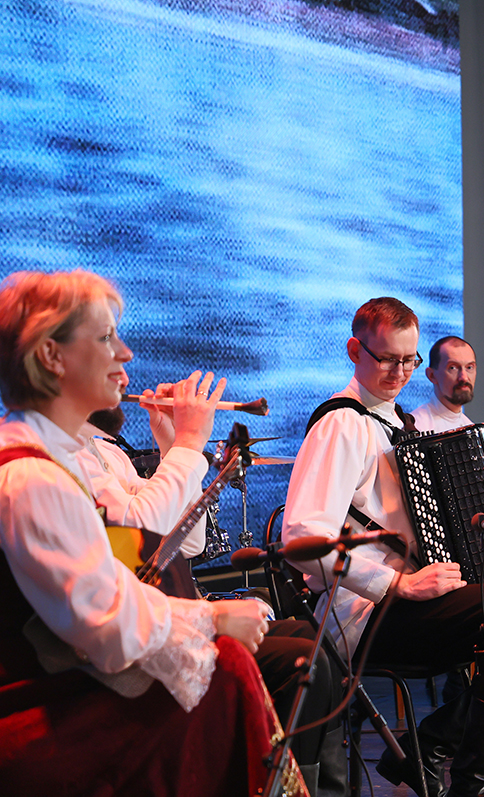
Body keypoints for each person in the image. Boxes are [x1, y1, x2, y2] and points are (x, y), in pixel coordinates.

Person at [0, 269, 305, 796]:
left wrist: (174, 449)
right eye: (105, 338)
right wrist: (212, 618)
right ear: (51, 356)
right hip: (52, 715)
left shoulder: (62, 459)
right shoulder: (33, 475)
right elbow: (108, 624)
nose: (125, 354)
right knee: (230, 669)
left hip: (69, 685)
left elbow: (150, 558)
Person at [282, 297, 484, 797]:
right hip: (364, 612)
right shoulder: (342, 424)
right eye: (387, 359)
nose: (400, 372)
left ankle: (429, 748)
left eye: (410, 360)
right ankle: (476, 781)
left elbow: (432, 528)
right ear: (354, 350)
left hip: (414, 601)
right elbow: (300, 539)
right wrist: (396, 584)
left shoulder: (397, 424)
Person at [81, 402, 347, 796]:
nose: (122, 372)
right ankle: (290, 786)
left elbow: (189, 543)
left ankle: (321, 788)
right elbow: (140, 528)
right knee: (302, 661)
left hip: (148, 616)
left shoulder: (107, 452)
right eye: (106, 349)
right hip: (119, 647)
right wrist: (188, 444)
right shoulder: (64, 458)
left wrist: (172, 446)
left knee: (312, 636)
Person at [409, 335, 476, 433]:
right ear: (432, 375)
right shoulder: (417, 428)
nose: (464, 377)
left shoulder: (471, 429)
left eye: (469, 367)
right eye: (453, 368)